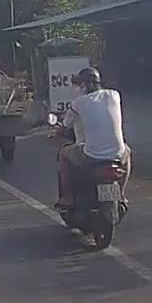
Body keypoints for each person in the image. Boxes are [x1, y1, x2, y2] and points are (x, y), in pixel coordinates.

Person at [54, 66, 130, 210]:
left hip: (91, 155)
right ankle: (121, 193)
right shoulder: (114, 95)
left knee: (64, 154)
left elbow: (65, 126)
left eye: (79, 85)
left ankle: (67, 197)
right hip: (117, 153)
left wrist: (56, 133)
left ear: (84, 85)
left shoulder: (79, 103)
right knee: (127, 151)